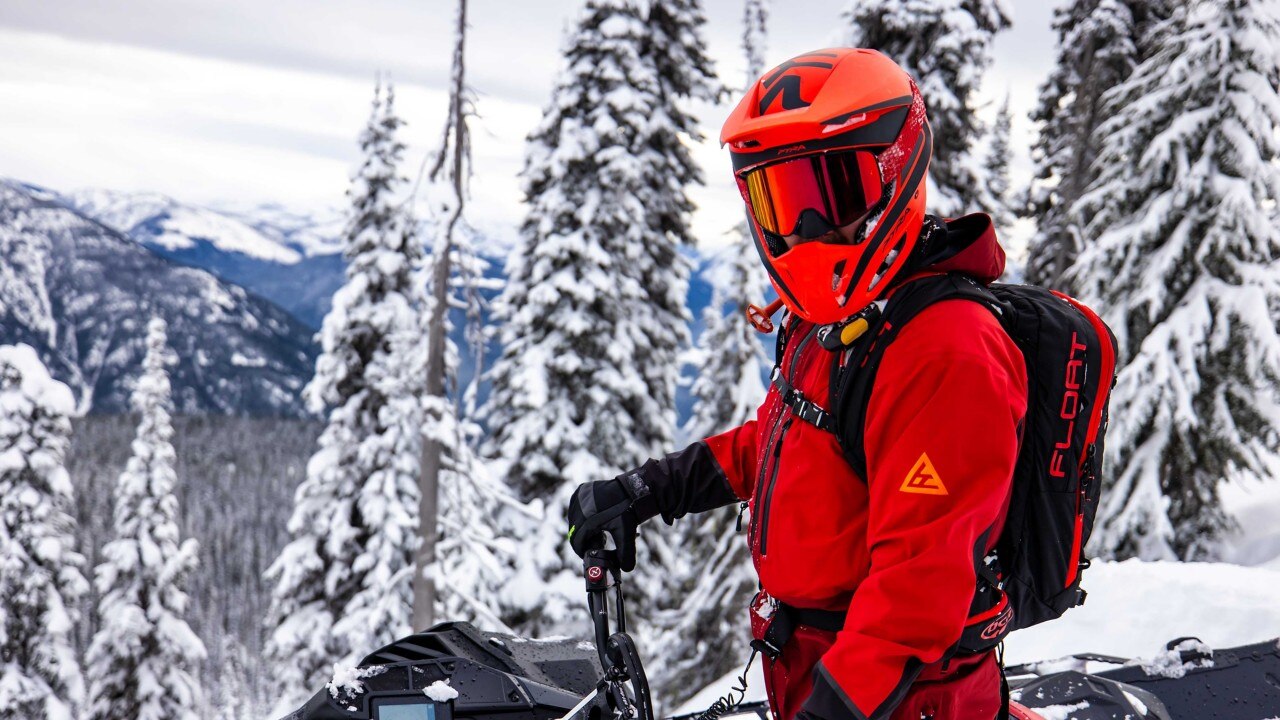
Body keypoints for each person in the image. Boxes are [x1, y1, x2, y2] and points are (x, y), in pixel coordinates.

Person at [566, 48, 1027, 720]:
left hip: (904, 700)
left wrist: (835, 708)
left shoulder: (945, 349)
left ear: (895, 170)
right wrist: (652, 489)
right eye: (783, 202)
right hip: (823, 673)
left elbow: (919, 584)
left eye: (832, 194)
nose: (809, 231)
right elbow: (790, 442)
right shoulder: (845, 320)